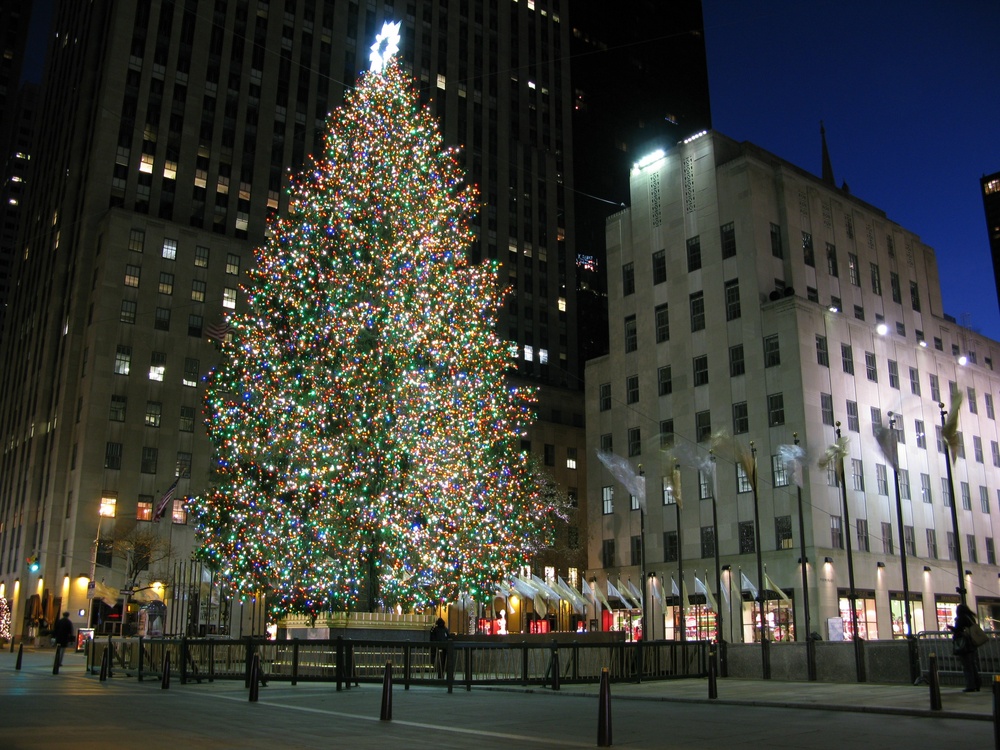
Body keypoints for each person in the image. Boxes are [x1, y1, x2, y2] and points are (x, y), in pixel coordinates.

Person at [950, 604, 982, 692]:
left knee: (967, 666)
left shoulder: (961, 619)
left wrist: (952, 628)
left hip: (965, 645)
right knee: (973, 665)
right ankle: (977, 684)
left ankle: (970, 685)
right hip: (972, 644)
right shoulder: (971, 618)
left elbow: (958, 630)